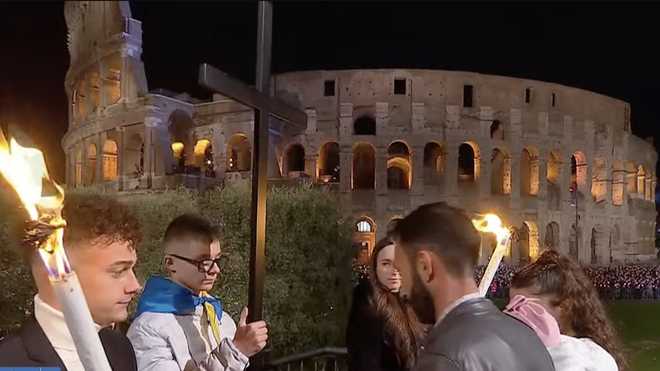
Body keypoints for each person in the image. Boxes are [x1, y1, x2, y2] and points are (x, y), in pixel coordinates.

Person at [390, 202, 555, 371]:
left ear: (425, 266)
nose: (401, 291)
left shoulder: (443, 357)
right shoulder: (528, 337)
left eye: (402, 274)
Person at [0, 193, 142, 370]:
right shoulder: (9, 362)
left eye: (132, 269)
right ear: (55, 271)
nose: (135, 286)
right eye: (119, 271)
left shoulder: (119, 348)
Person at [127, 214, 268, 371]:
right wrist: (236, 352)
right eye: (204, 262)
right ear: (170, 263)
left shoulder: (221, 318)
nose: (215, 270)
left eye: (217, 260)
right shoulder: (148, 329)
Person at [508, 250, 626, 371]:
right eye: (512, 308)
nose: (516, 316)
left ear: (564, 307)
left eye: (525, 307)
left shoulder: (590, 359)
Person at [347, 238, 424, 371]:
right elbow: (366, 361)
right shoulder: (368, 303)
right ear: (375, 268)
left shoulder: (409, 302)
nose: (394, 270)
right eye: (386, 264)